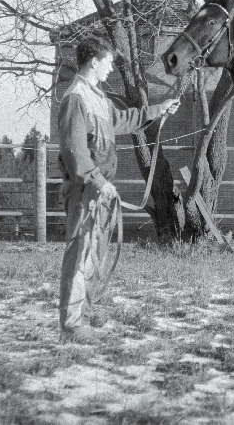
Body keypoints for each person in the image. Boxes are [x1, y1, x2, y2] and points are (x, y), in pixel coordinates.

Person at [57, 35, 180, 342]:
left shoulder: (99, 98)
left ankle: (88, 312)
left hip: (100, 189)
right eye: (108, 62)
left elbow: (124, 120)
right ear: (94, 62)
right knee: (81, 254)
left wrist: (158, 109)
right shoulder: (76, 97)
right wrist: (98, 183)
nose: (111, 68)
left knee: (96, 255)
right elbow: (75, 153)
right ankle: (72, 324)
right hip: (85, 190)